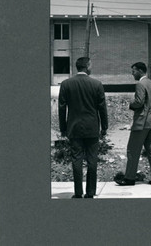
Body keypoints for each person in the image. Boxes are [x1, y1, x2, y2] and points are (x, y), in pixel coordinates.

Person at [58, 57, 108, 199]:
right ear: (87, 66)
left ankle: (78, 192)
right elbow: (102, 108)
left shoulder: (66, 84)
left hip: (73, 128)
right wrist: (104, 127)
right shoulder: (97, 84)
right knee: (92, 160)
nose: (92, 67)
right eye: (91, 65)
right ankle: (90, 192)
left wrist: (63, 128)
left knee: (76, 160)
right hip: (92, 128)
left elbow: (62, 108)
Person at [115, 62, 151, 186]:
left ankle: (129, 178)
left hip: (142, 122)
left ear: (141, 71)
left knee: (132, 150)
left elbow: (139, 102)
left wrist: (130, 104)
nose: (132, 73)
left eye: (134, 71)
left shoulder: (140, 84)